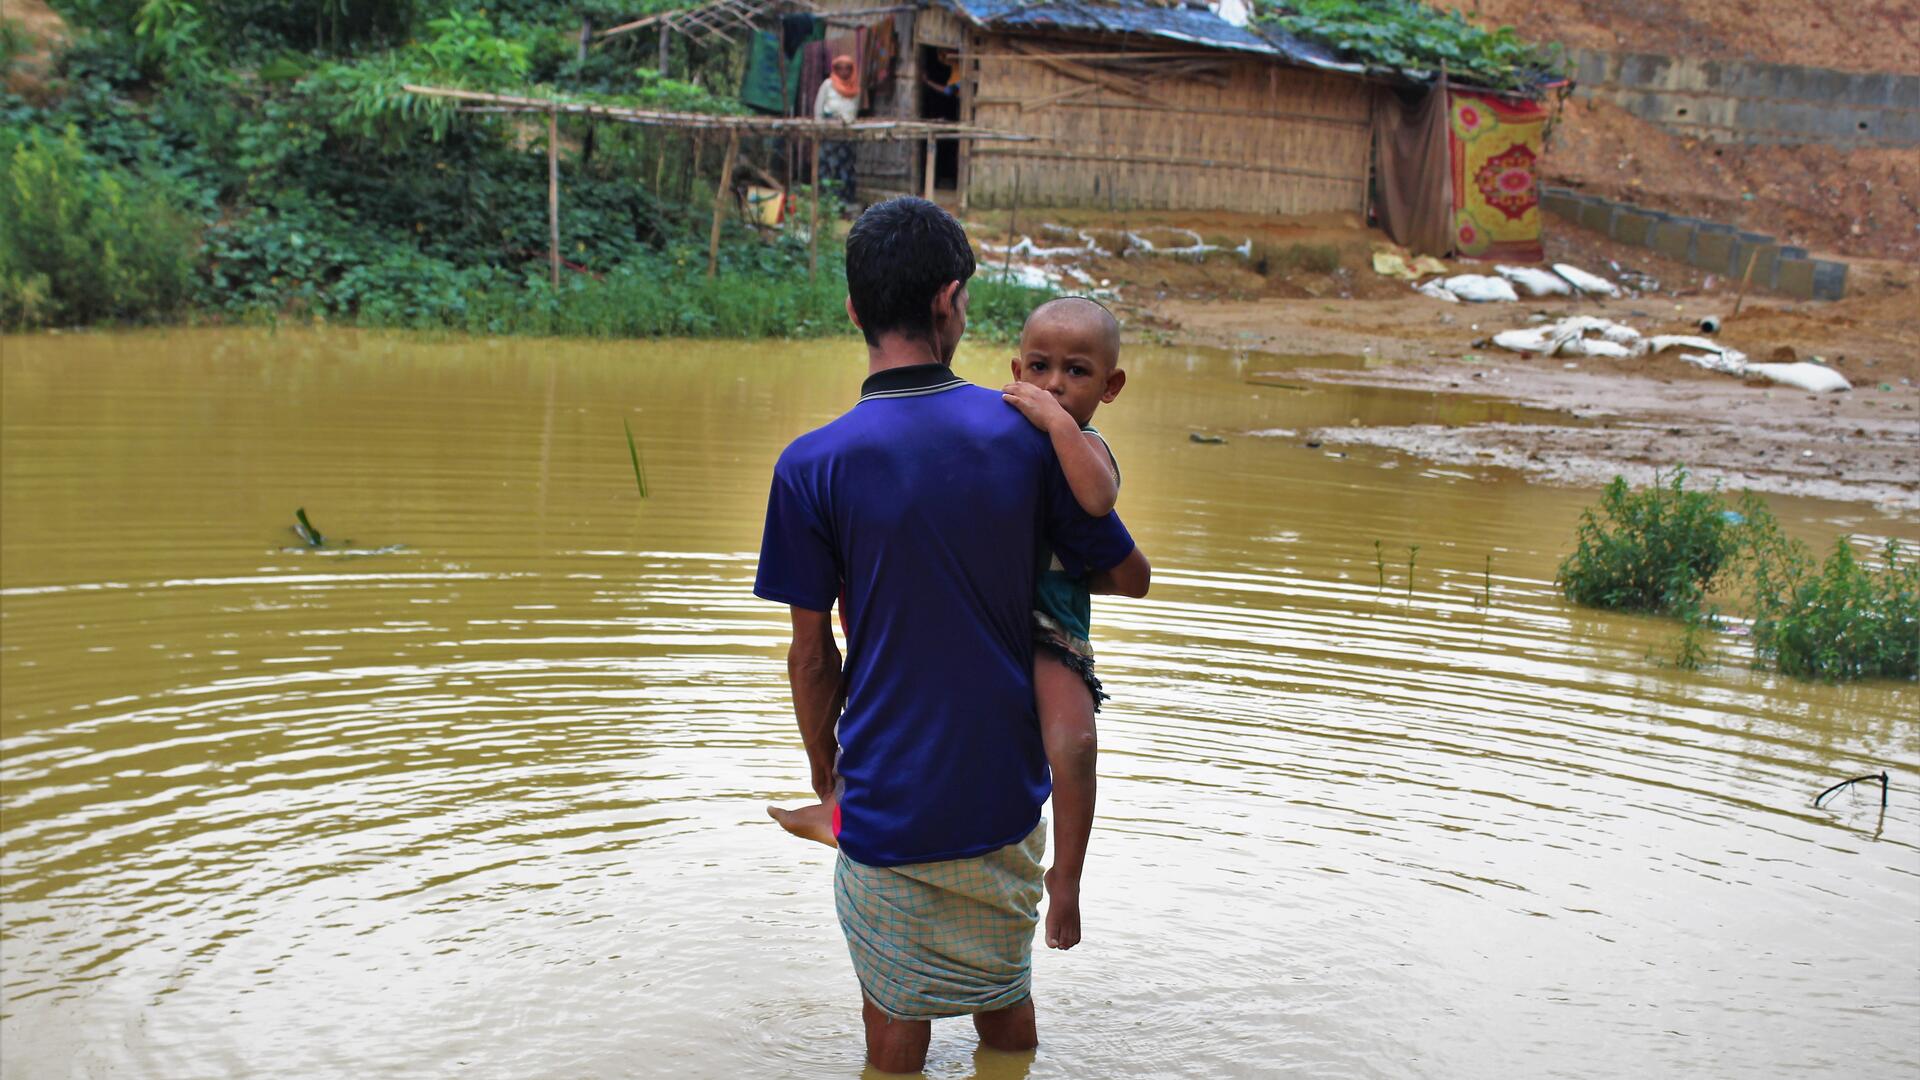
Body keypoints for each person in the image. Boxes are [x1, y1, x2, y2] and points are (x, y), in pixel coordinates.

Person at [754, 197, 1149, 1074]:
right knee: (1007, 1011)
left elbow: (812, 656)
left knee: (894, 1035)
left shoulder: (811, 465)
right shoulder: (1029, 434)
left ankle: (831, 821)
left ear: (854, 310)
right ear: (953, 300)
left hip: (888, 800)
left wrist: (828, 769)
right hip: (1001, 795)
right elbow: (1126, 573)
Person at [773, 295, 1131, 960]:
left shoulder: (1064, 444)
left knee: (1072, 740)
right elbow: (1128, 571)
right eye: (1042, 370)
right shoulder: (1003, 432)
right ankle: (836, 806)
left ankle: (1068, 880)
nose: (1054, 386)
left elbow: (1122, 552)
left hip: (1047, 634)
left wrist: (1055, 428)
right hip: (982, 631)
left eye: (1075, 373)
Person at [812, 54, 859, 203]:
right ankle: (826, 200)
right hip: (829, 133)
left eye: (847, 68)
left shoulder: (855, 88)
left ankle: (843, 201)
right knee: (827, 166)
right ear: (835, 69)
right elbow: (818, 109)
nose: (844, 72)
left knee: (845, 167)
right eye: (841, 68)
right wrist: (821, 127)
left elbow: (854, 111)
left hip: (846, 134)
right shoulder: (828, 84)